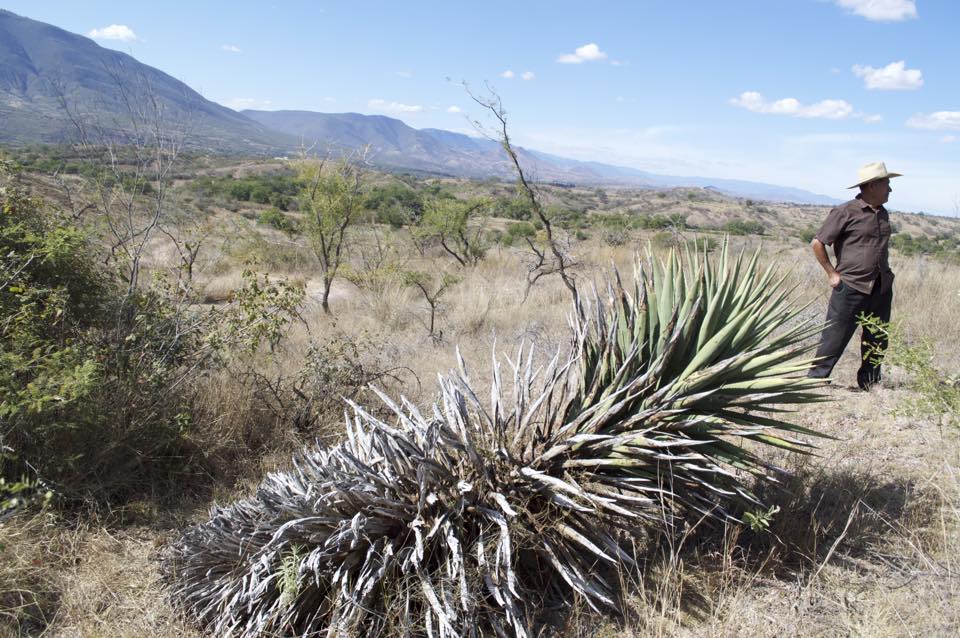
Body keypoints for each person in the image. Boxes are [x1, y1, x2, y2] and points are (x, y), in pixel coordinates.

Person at [807, 161, 901, 390]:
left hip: (880, 286)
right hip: (850, 285)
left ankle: (869, 382)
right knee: (835, 335)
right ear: (871, 186)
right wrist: (832, 274)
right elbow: (818, 243)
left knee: (877, 337)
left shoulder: (883, 214)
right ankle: (816, 380)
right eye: (886, 184)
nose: (890, 189)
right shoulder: (845, 211)